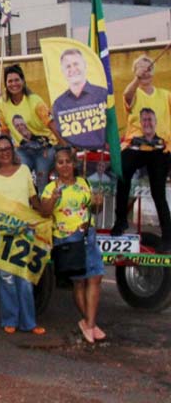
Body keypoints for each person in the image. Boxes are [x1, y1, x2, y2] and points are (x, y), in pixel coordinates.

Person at [39, 147, 106, 344]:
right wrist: (53, 198)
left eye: (68, 161)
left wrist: (98, 203)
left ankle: (90, 324)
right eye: (60, 162)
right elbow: (44, 212)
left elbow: (93, 208)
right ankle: (90, 324)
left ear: (74, 163)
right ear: (56, 166)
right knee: (79, 281)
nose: (65, 165)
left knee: (95, 277)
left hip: (88, 235)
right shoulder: (51, 188)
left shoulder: (84, 183)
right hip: (67, 239)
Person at [0, 135, 45, 335]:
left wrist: (46, 211)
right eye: (0, 149)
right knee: (6, 279)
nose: (4, 152)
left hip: (24, 231)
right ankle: (10, 319)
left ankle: (29, 322)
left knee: (26, 280)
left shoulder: (25, 171)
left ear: (13, 150)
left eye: (7, 148)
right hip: (2, 233)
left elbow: (33, 198)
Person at [113, 55, 171, 250]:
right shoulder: (134, 91)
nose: (145, 72)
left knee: (158, 192)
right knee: (122, 172)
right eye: (140, 69)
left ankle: (168, 236)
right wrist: (137, 78)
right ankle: (121, 220)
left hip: (159, 149)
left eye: (148, 68)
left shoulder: (165, 95)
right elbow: (128, 96)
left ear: (154, 72)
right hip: (135, 146)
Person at [0, 64, 60, 189]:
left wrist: (65, 146)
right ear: (5, 84)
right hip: (22, 150)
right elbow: (4, 133)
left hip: (45, 149)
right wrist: (2, 152)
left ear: (23, 81)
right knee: (20, 177)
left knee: (41, 177)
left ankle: (43, 204)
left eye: (16, 80)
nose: (13, 84)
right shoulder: (2, 104)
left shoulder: (35, 101)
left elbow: (52, 125)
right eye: (10, 81)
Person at [51, 48, 108, 150]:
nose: (72, 69)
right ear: (62, 71)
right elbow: (61, 135)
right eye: (68, 66)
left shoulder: (102, 94)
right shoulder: (59, 104)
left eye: (76, 64)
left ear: (85, 65)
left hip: (102, 155)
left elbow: (111, 125)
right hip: (74, 158)